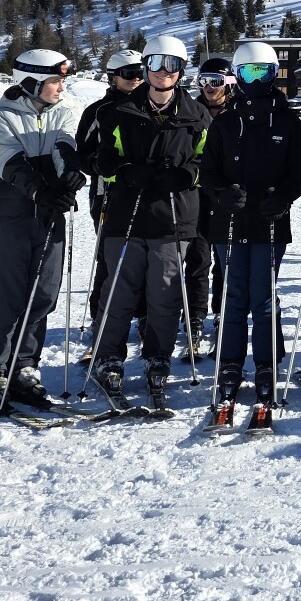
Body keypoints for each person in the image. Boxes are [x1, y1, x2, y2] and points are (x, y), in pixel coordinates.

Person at [87, 34, 211, 410]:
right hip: (126, 215)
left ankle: (158, 357)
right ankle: (108, 357)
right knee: (118, 292)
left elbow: (208, 161)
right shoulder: (119, 111)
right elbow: (100, 158)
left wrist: (186, 175)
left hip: (174, 218)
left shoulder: (197, 115)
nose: (162, 72)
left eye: (171, 65)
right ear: (146, 67)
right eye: (155, 63)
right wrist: (126, 172)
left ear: (181, 70)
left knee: (164, 294)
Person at [0, 49, 83, 411]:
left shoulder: (62, 112)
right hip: (10, 216)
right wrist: (41, 192)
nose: (61, 88)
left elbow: (64, 146)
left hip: (48, 218)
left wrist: (69, 176)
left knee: (42, 296)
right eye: (54, 81)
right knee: (5, 298)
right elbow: (10, 164)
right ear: (31, 82)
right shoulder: (2, 116)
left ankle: (23, 366)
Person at [204, 40, 301, 423]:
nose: (255, 79)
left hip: (269, 222)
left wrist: (284, 198)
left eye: (262, 72)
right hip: (229, 222)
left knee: (264, 296)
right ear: (237, 75)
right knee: (233, 295)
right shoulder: (224, 121)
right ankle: (230, 361)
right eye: (247, 72)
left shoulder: (287, 122)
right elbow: (208, 170)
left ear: (273, 74)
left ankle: (267, 362)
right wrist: (220, 193)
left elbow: (299, 169)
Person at [79, 48, 146, 334]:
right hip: (107, 193)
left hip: (145, 191)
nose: (135, 79)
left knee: (147, 253)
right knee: (110, 256)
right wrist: (101, 165)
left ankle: (145, 315)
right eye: (128, 74)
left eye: (140, 73)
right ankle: (101, 315)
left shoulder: (152, 105)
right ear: (113, 77)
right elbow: (82, 154)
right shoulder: (99, 111)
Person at [181, 56, 236, 356]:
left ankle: (222, 314)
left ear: (228, 84)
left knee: (225, 260)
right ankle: (194, 317)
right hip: (197, 195)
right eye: (203, 81)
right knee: (198, 259)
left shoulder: (238, 111)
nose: (209, 88)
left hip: (226, 196)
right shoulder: (190, 110)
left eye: (215, 81)